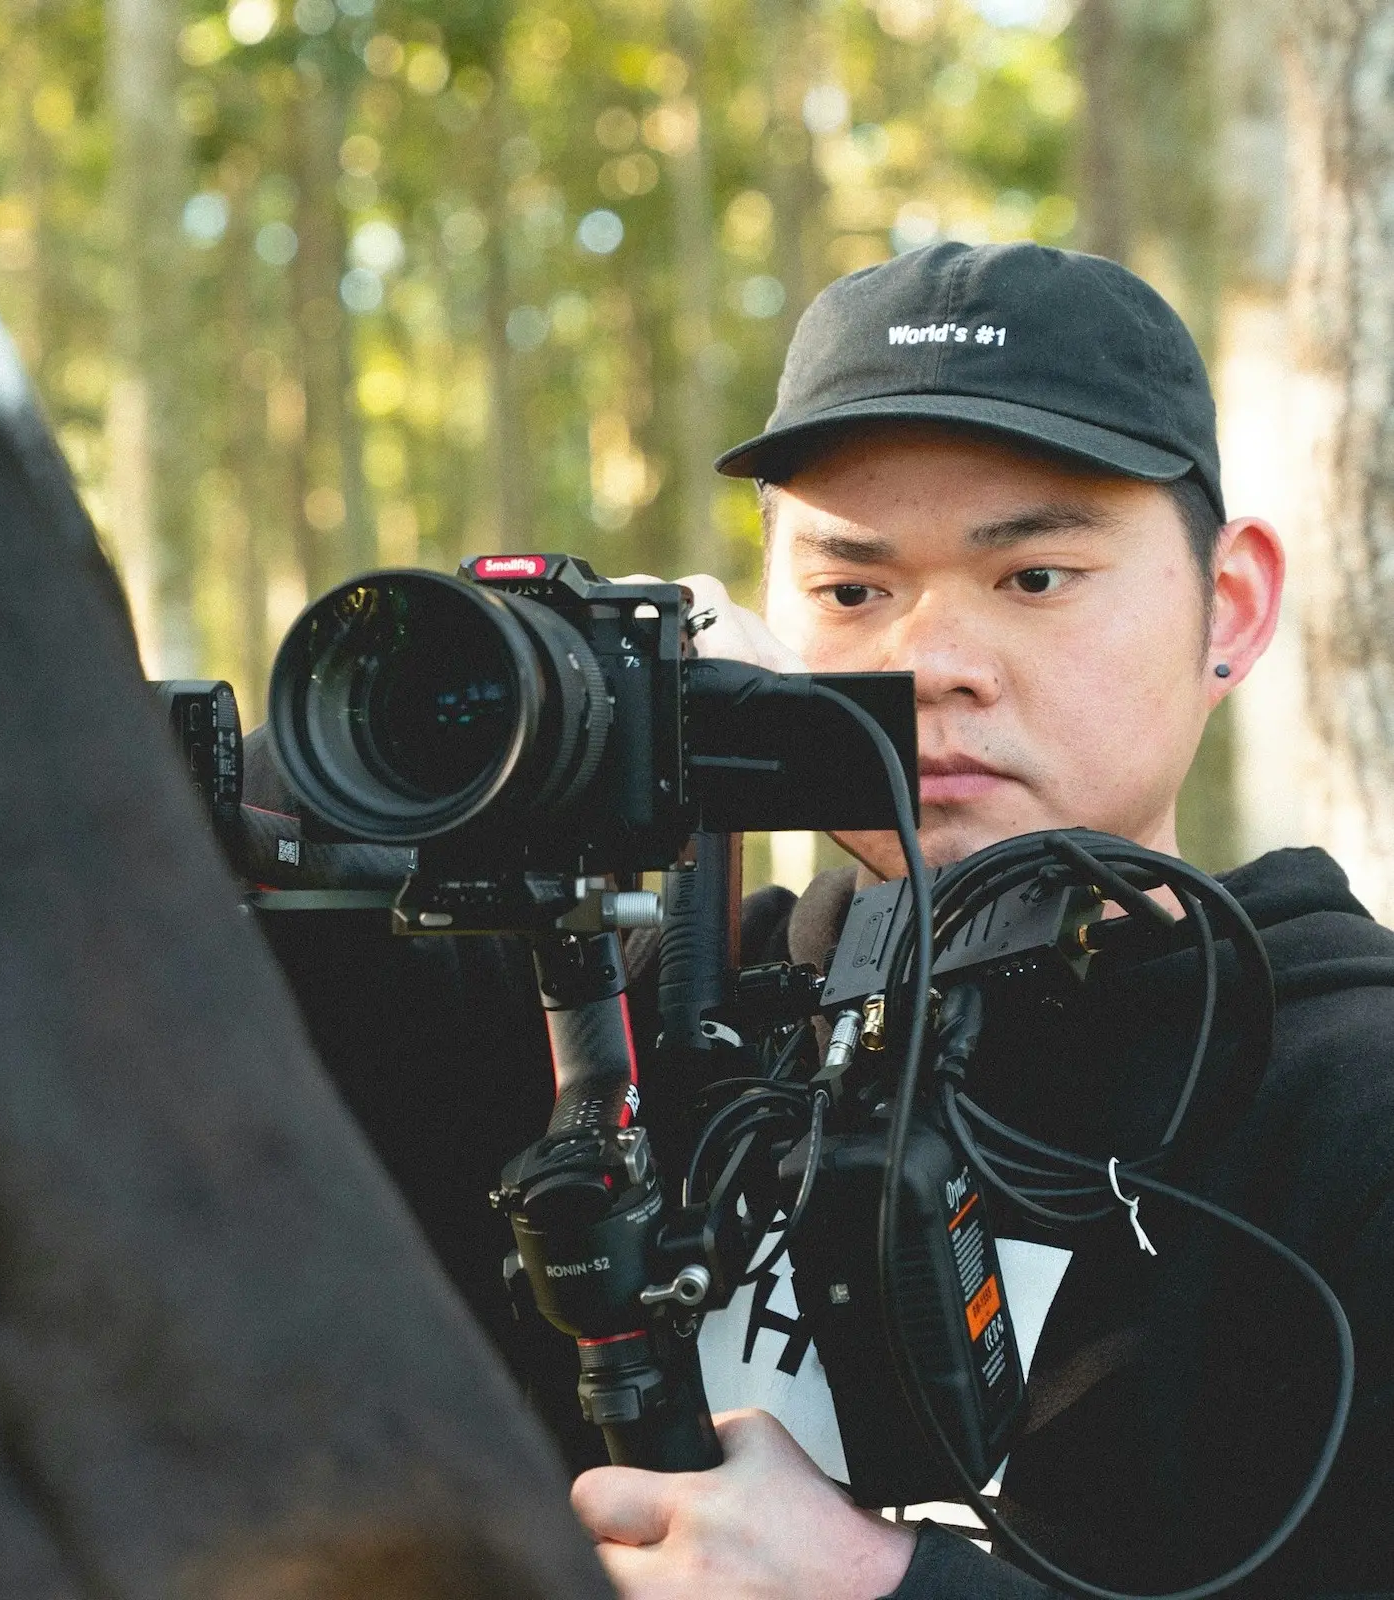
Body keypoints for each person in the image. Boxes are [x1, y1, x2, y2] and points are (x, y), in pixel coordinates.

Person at [559, 243, 1394, 1598]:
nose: (931, 667)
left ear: (1229, 608)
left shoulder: (1345, 1101)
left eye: (1034, 579)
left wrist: (893, 1589)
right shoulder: (634, 1020)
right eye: (850, 592)